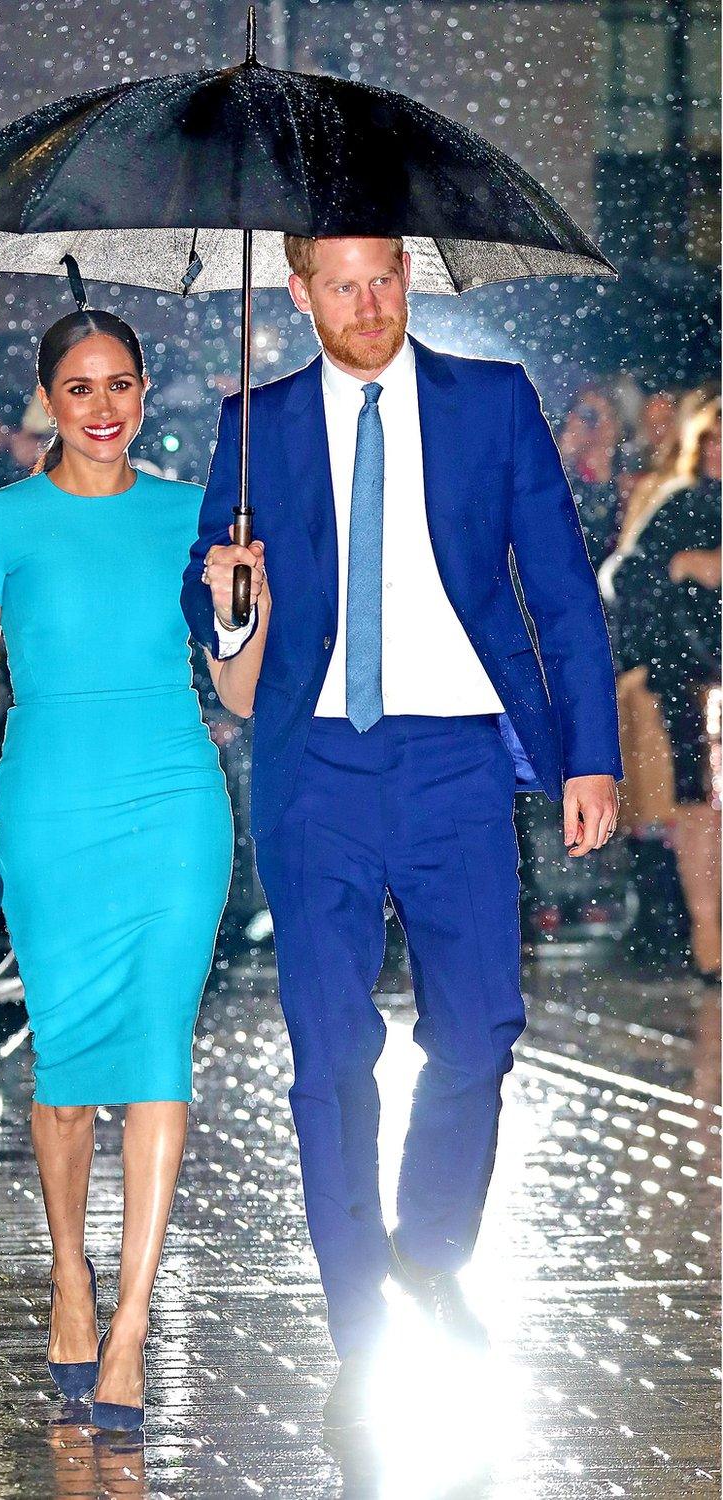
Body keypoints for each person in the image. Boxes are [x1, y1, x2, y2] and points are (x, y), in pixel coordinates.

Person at [181, 234, 622, 1428]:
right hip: (312, 766)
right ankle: (358, 1314)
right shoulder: (255, 420)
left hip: (458, 760)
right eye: (343, 285)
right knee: (330, 1057)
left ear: (407, 279)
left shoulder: (490, 402)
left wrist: (590, 754)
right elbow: (209, 588)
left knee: (478, 1028)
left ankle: (429, 1248)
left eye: (385, 279)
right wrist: (228, 601)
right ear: (298, 292)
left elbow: (563, 588)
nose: (369, 304)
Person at [0, 309, 234, 1431]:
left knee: (156, 1057)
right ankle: (69, 1273)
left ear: (146, 394)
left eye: (123, 386)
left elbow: (236, 694)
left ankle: (134, 1320)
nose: (104, 408)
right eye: (81, 388)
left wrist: (237, 612)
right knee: (64, 1071)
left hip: (174, 807)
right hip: (49, 806)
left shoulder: (197, 518)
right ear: (48, 398)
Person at [603, 391, 721, 985]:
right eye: (713, 442)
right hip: (693, 681)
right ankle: (709, 944)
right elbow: (627, 576)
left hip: (692, 675)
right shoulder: (682, 506)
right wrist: (683, 565)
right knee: (700, 811)